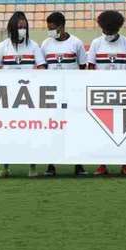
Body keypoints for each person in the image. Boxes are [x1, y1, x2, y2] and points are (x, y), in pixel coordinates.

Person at [0, 11, 46, 178]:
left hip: (29, 96)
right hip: (8, 96)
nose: (22, 29)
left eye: (24, 26)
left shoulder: (34, 45)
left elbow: (42, 67)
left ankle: (32, 167)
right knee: (7, 132)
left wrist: (32, 79)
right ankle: (6, 167)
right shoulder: (3, 46)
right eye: (19, 26)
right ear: (12, 28)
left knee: (31, 131)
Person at [87, 10, 126, 176]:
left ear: (118, 28)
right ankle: (102, 164)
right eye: (105, 31)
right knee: (102, 131)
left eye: (111, 31)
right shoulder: (96, 43)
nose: (107, 34)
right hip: (101, 94)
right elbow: (90, 67)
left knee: (125, 131)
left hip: (124, 94)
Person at [40, 11, 87, 177]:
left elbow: (83, 68)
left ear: (61, 26)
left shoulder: (76, 43)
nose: (50, 31)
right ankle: (51, 165)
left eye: (52, 28)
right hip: (53, 94)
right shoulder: (45, 44)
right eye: (48, 28)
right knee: (53, 129)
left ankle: (78, 164)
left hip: (72, 93)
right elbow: (43, 68)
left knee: (75, 129)